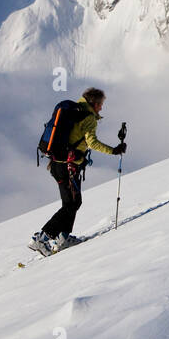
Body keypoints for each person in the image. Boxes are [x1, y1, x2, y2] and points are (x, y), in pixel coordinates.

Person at [29, 87, 125, 256]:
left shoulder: (73, 110)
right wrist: (114, 151)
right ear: (94, 103)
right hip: (69, 166)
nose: (101, 108)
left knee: (71, 202)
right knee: (72, 204)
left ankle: (63, 237)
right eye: (101, 104)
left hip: (57, 164)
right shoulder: (88, 118)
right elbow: (92, 143)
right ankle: (42, 238)